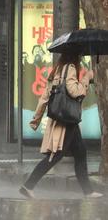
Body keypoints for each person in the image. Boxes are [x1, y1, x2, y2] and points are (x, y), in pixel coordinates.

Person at [19, 51, 103, 199]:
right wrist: (86, 78)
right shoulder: (70, 68)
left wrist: (36, 119)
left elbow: (45, 96)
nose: (80, 58)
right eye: (79, 55)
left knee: (80, 152)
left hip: (64, 119)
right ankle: (28, 185)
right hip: (67, 120)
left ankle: (88, 191)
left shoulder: (57, 69)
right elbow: (74, 92)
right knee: (56, 155)